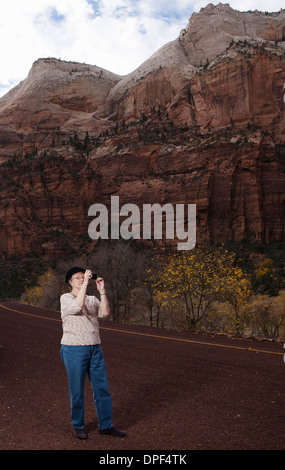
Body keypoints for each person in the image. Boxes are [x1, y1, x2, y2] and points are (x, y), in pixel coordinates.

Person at [60, 266, 126, 440]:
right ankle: (78, 426)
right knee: (77, 390)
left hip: (95, 347)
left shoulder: (92, 299)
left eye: (83, 277)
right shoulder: (65, 298)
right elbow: (76, 307)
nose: (82, 279)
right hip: (73, 348)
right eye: (78, 277)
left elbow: (105, 313)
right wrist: (86, 285)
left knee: (102, 389)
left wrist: (102, 292)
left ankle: (106, 425)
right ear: (70, 281)